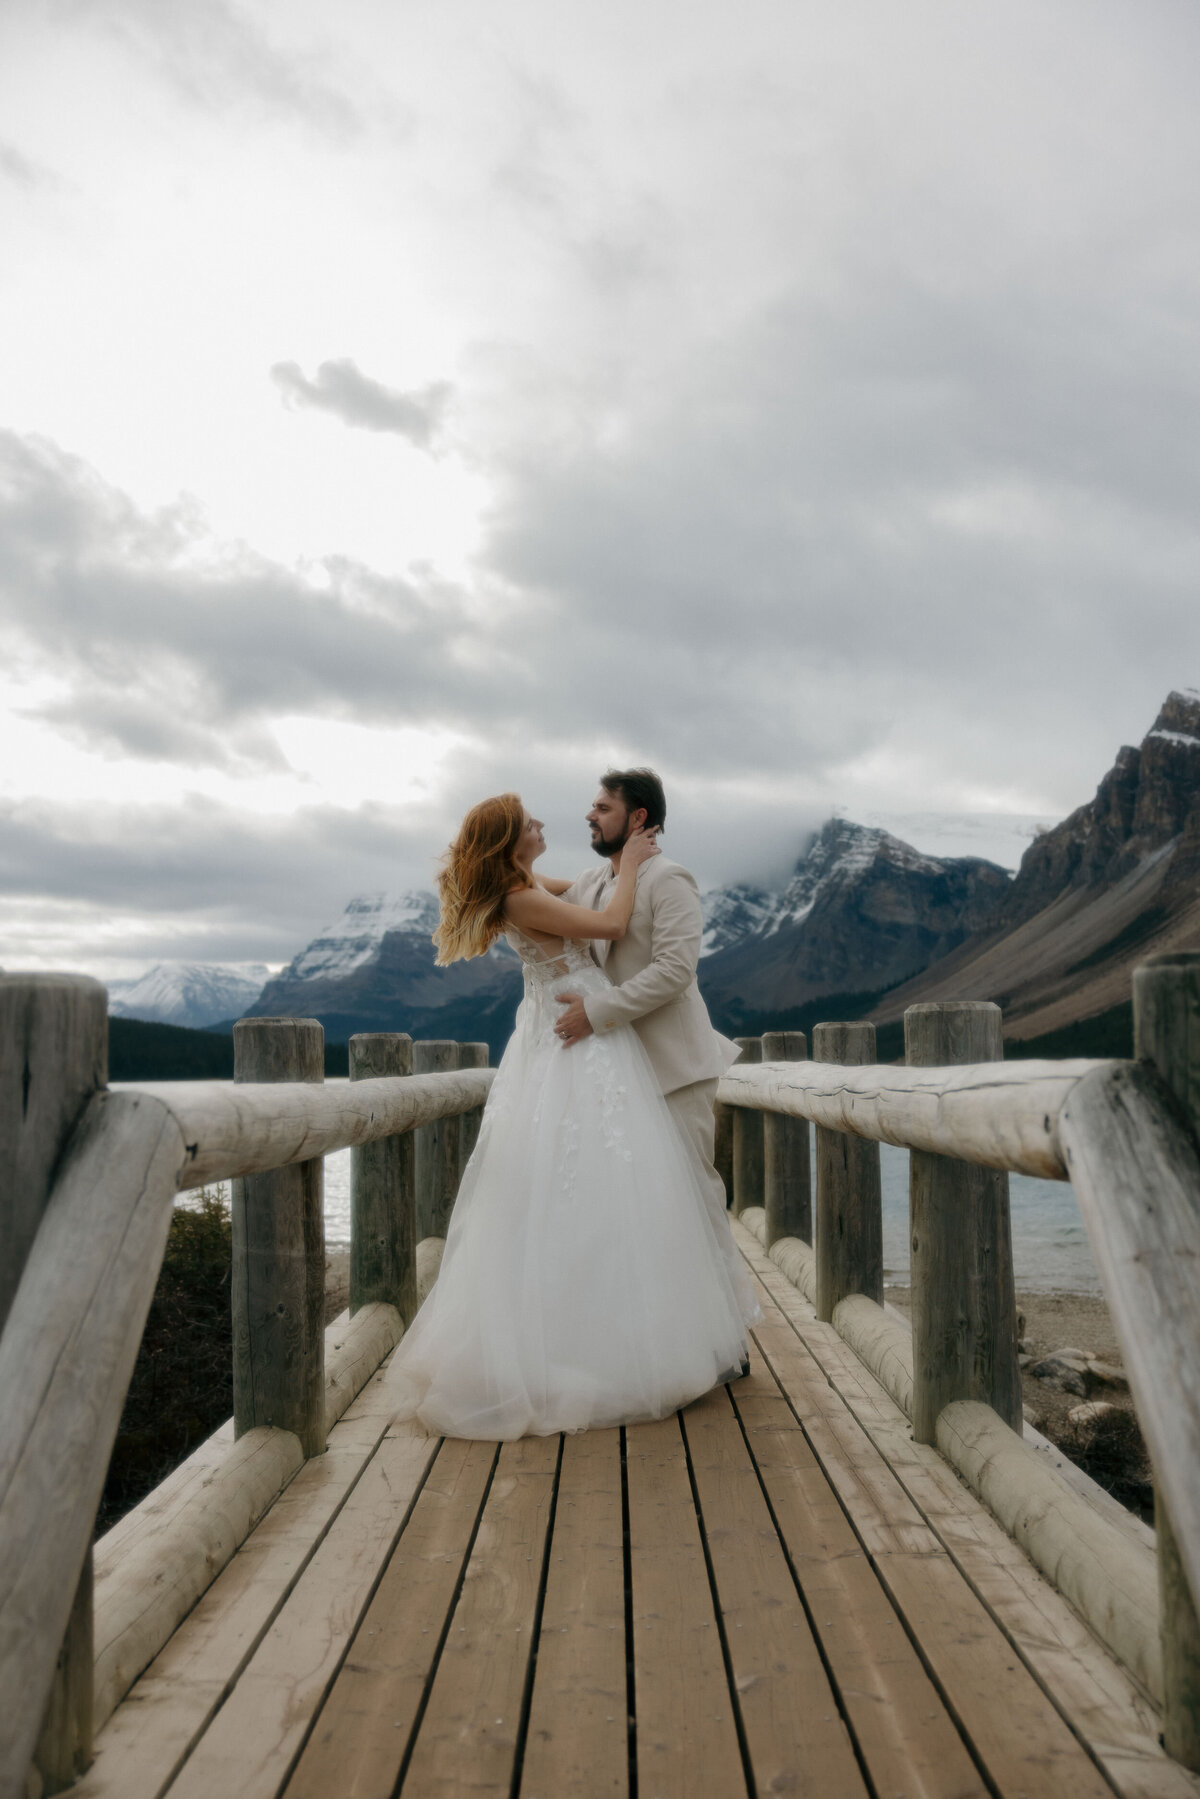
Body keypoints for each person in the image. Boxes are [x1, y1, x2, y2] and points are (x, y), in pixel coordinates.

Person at [387, 791, 759, 1440]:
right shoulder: (518, 896)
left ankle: (618, 1328)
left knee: (604, 1177)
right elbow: (611, 923)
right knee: (594, 1176)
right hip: (575, 1030)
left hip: (574, 1030)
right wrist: (637, 866)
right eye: (529, 821)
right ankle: (600, 1348)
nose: (541, 824)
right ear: (510, 841)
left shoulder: (528, 882)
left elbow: (590, 886)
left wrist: (625, 861)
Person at [553, 768, 741, 1264]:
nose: (590, 815)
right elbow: (528, 890)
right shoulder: (593, 882)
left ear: (638, 818)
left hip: (675, 1069)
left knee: (694, 1196)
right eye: (593, 806)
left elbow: (675, 970)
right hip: (621, 1075)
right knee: (641, 1206)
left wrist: (595, 1012)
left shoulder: (671, 878)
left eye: (602, 808)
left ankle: (725, 1332)